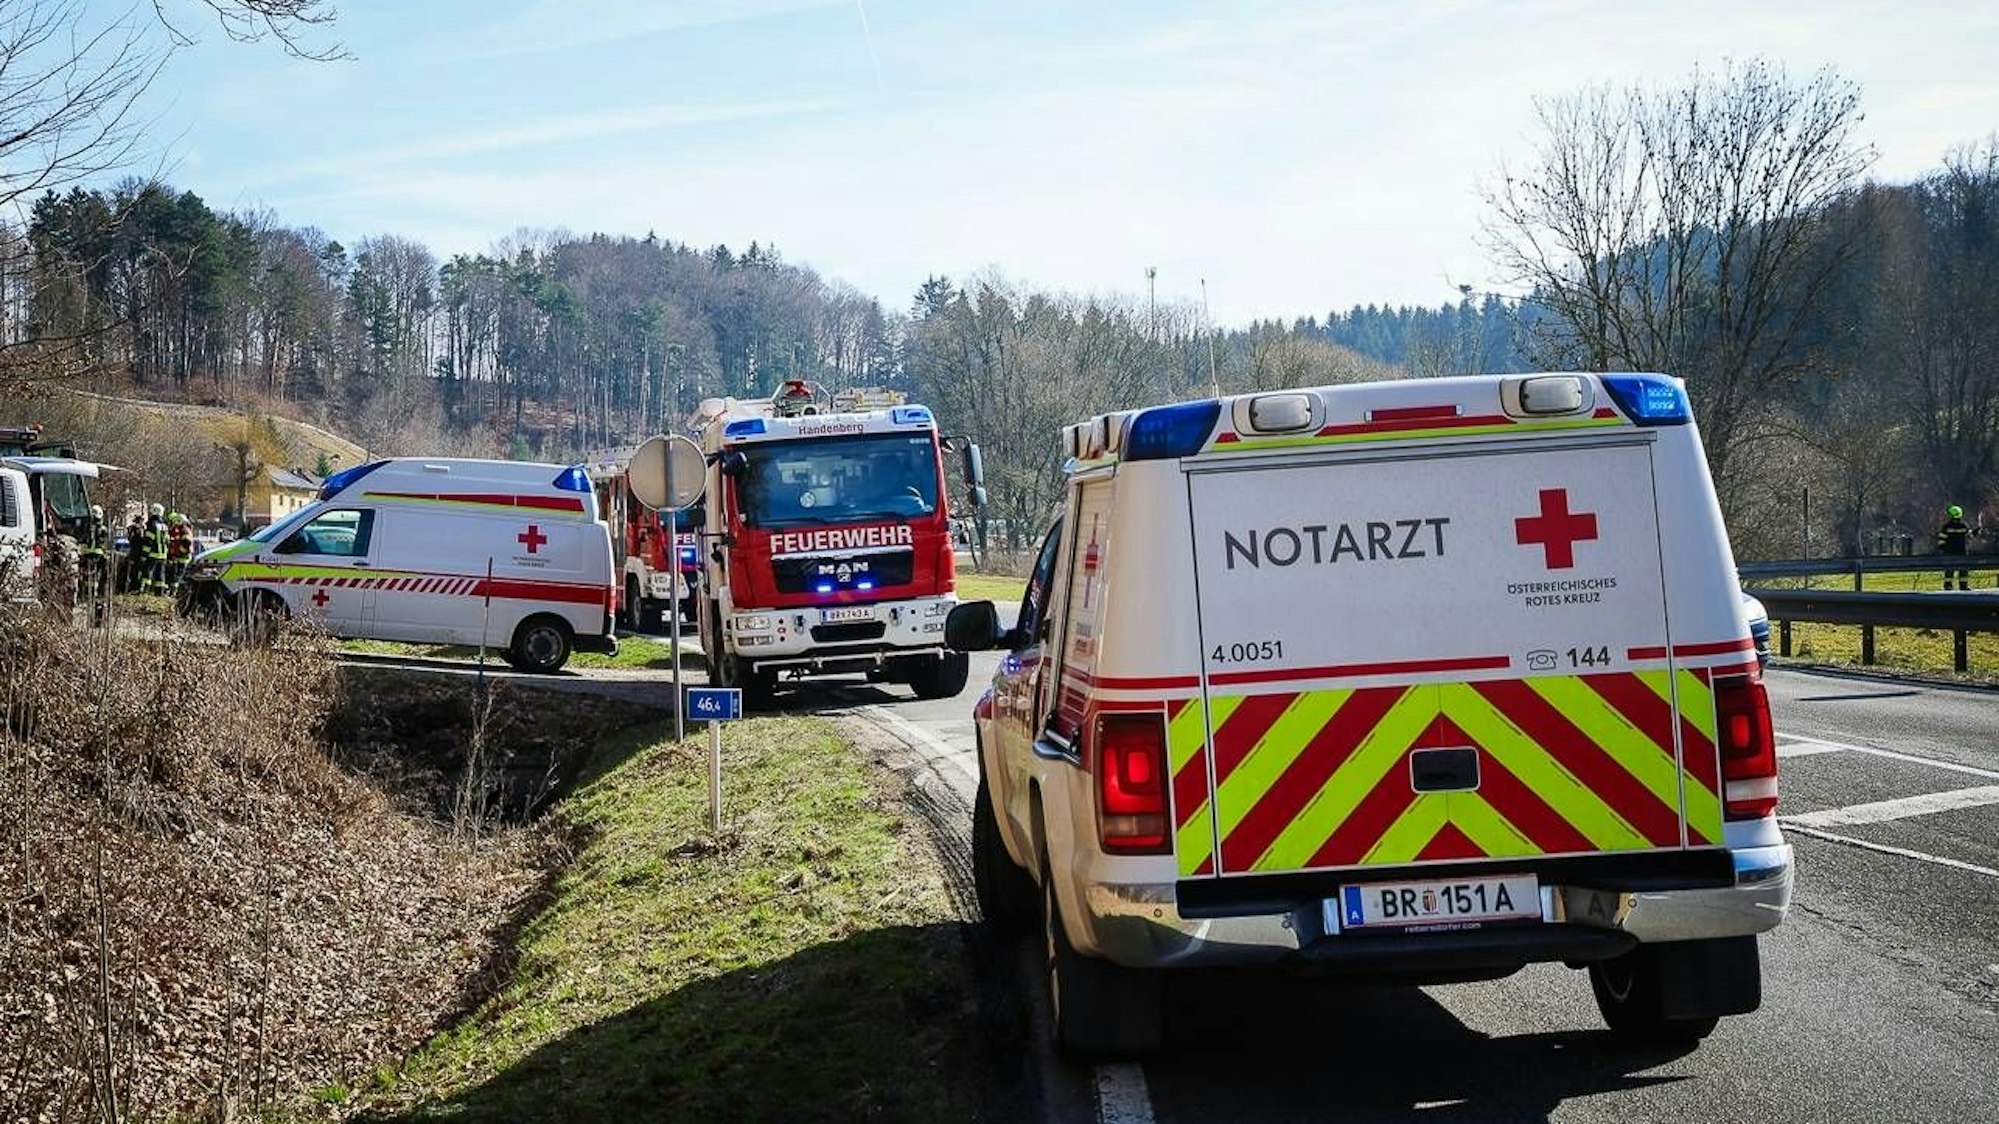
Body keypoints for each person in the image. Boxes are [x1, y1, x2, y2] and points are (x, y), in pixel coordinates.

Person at [76, 504, 111, 624]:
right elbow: (105, 542)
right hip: (98, 555)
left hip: (86, 555)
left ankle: (86, 593)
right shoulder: (103, 528)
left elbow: (81, 538)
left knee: (87, 577)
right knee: (98, 577)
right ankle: (96, 595)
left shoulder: (86, 526)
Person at [1936, 503, 1972, 590]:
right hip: (1962, 551)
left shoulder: (1946, 527)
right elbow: (1970, 536)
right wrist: (1976, 532)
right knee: (1963, 570)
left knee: (1949, 570)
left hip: (1950, 552)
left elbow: (1941, 539)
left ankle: (1948, 585)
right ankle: (1963, 586)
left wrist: (1942, 548)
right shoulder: (1964, 526)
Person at [143, 503, 169, 595]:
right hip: (163, 555)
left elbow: (149, 541)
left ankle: (145, 592)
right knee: (160, 575)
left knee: (147, 574)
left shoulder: (152, 524)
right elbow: (167, 540)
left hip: (152, 554)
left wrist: (144, 554)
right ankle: (159, 593)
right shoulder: (164, 525)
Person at [165, 512, 195, 587]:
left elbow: (187, 543)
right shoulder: (179, 530)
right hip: (179, 557)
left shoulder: (184, 530)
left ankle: (175, 590)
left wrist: (179, 552)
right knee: (175, 575)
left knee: (178, 576)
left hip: (183, 557)